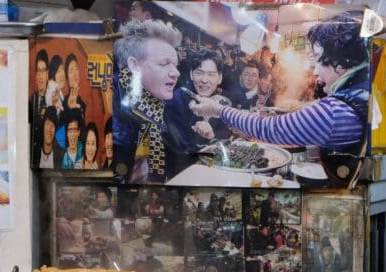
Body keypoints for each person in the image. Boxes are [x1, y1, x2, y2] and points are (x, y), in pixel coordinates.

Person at [190, 11, 368, 153]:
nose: (315, 71)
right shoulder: (360, 91)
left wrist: (218, 109)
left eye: (320, 60)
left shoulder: (333, 113)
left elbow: (269, 128)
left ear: (343, 62)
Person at [113, 19, 206, 183]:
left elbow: (180, 156)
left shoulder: (158, 105)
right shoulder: (109, 104)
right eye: (164, 64)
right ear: (134, 65)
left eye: (176, 65)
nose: (176, 73)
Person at [30, 49, 49, 118]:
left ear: (47, 74)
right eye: (38, 70)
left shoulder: (52, 98)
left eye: (43, 70)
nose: (40, 76)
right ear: (35, 75)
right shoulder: (32, 99)